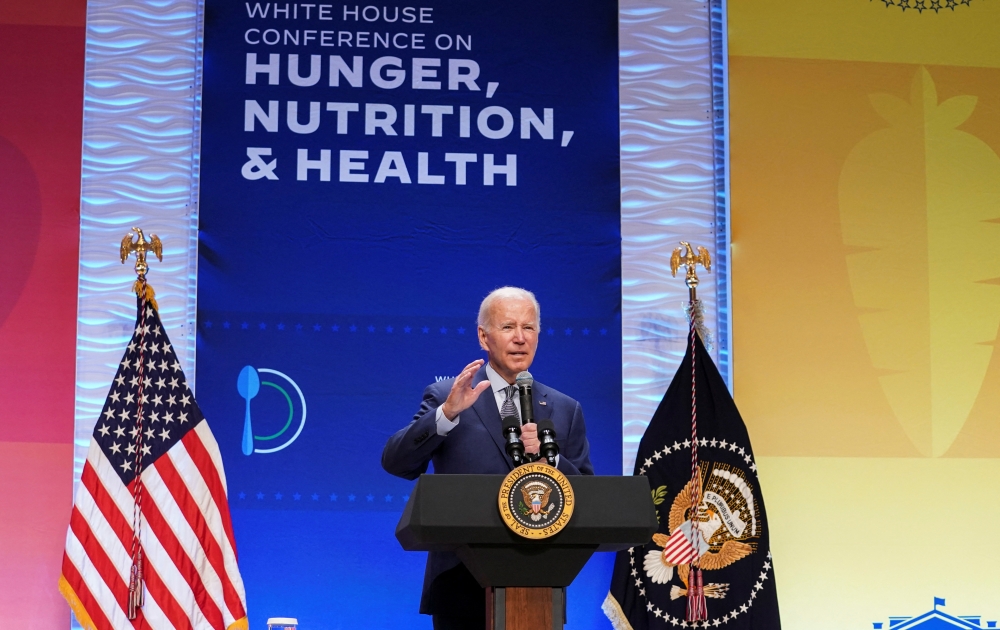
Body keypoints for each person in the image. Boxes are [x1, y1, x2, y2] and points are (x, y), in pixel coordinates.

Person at [382, 286, 594, 630]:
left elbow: (587, 495)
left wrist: (548, 462)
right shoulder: (447, 396)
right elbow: (397, 462)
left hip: (539, 582)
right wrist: (447, 414)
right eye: (508, 327)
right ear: (484, 336)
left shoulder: (565, 408)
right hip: (460, 582)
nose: (520, 338)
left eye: (529, 328)